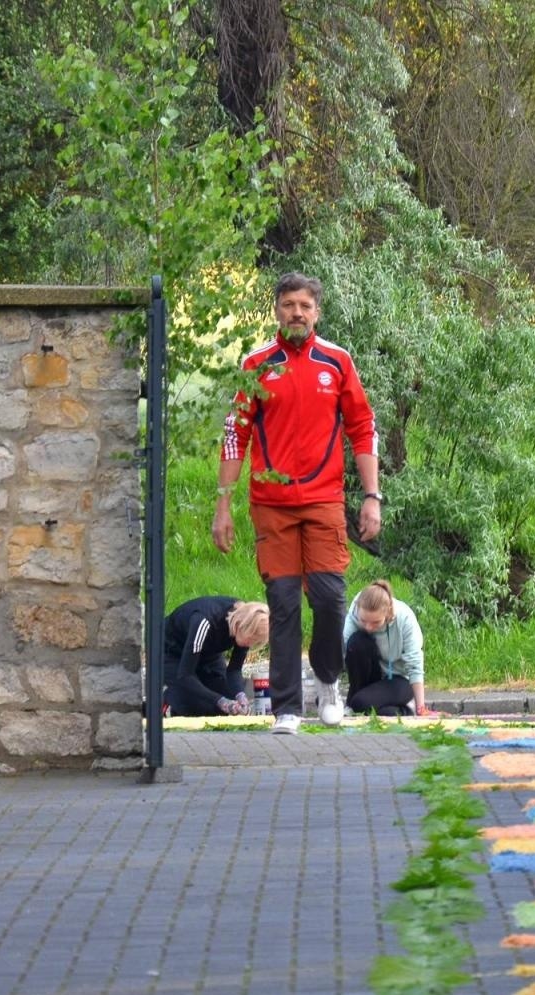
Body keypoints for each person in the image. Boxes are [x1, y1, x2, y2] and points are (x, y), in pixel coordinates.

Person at [212, 273, 383, 735]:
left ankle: (327, 681)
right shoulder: (256, 364)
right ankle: (286, 708)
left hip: (325, 499)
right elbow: (235, 435)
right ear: (277, 310)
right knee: (283, 604)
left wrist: (371, 497)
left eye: (305, 305)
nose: (297, 313)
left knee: (329, 598)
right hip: (272, 504)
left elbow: (362, 427)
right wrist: (223, 506)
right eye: (289, 304)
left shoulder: (337, 361)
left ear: (316, 312)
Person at [162, 597, 270, 717]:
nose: (250, 644)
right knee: (198, 706)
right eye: (251, 638)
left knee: (227, 704)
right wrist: (220, 701)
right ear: (241, 625)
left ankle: (183, 696)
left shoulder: (243, 632)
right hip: (171, 652)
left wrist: (240, 695)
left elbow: (234, 670)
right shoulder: (204, 621)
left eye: (256, 641)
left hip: (208, 654)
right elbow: (186, 675)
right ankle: (167, 699)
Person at [343, 580, 428, 716]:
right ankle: (363, 705)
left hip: (399, 679)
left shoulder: (405, 619)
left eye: (376, 622)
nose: (368, 627)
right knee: (355, 643)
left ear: (388, 613)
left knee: (360, 703)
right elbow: (344, 652)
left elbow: (415, 666)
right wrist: (328, 692)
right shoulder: (356, 609)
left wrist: (421, 708)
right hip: (374, 675)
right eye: (363, 621)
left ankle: (408, 709)